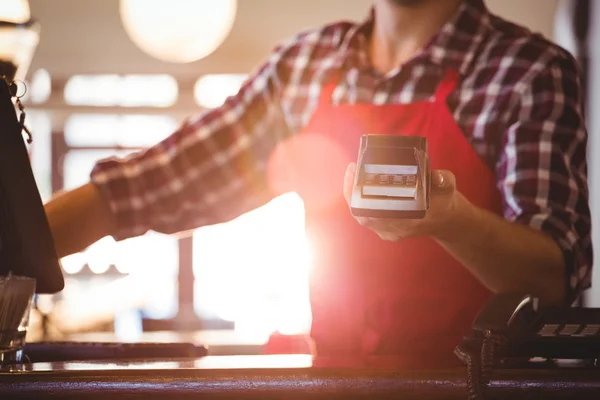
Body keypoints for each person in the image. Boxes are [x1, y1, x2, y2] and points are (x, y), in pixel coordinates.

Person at [45, 0, 593, 366]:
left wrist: (453, 220)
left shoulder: (530, 70)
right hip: (334, 384)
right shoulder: (304, 67)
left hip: (481, 391)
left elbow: (553, 279)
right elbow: (153, 185)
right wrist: (21, 240)